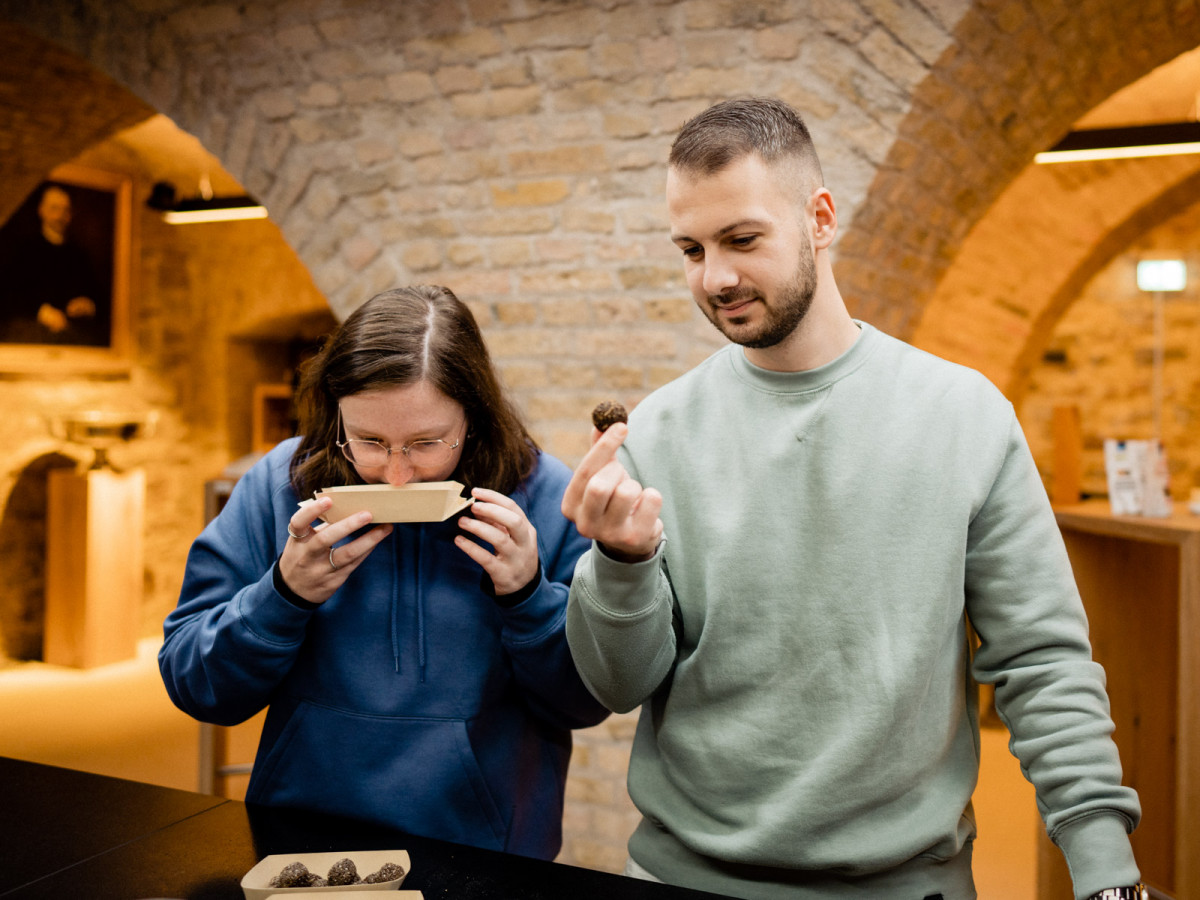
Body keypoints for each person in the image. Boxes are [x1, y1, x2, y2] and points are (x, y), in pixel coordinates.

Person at [561, 98, 1144, 899]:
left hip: (907, 883)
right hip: (681, 877)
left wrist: (1104, 870)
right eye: (691, 249)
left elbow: (1041, 661)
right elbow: (616, 686)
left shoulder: (962, 414)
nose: (716, 277)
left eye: (742, 239)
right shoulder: (657, 429)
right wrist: (620, 562)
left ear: (821, 218)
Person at [160, 284, 609, 859]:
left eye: (426, 442)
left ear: (473, 416)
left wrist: (527, 597)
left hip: (487, 853)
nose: (396, 476)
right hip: (301, 842)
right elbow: (193, 685)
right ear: (334, 412)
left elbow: (586, 703)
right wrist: (283, 596)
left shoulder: (545, 496)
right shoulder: (278, 486)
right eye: (369, 441)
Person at [0, 183, 104, 345]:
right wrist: (40, 312)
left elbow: (97, 295)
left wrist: (88, 304)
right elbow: (9, 295)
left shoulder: (79, 255)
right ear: (41, 210)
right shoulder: (24, 249)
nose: (60, 216)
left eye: (66, 210)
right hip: (31, 335)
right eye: (54, 209)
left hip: (72, 337)